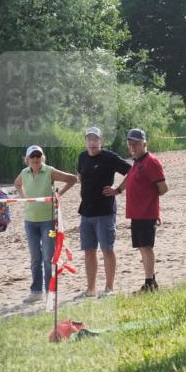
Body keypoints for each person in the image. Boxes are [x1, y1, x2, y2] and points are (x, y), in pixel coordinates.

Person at [64, 127, 131, 298]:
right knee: (89, 250)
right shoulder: (82, 157)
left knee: (107, 249)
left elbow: (132, 171)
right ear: (85, 141)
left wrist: (118, 189)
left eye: (96, 139)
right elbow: (80, 176)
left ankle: (109, 288)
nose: (92, 143)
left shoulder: (109, 157)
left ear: (101, 141)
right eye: (89, 139)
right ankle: (91, 288)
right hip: (86, 212)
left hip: (105, 211)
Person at [103, 129, 168, 293]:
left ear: (144, 144)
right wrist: (117, 190)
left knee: (146, 247)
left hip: (146, 212)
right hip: (137, 212)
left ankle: (150, 283)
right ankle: (150, 281)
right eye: (130, 144)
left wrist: (152, 205)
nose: (132, 146)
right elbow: (130, 177)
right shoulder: (137, 162)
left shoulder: (151, 162)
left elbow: (163, 188)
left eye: (136, 143)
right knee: (142, 247)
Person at [14, 146, 78, 304]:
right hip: (30, 222)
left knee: (49, 257)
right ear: (27, 159)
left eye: (38, 155)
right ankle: (36, 291)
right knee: (35, 257)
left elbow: (72, 179)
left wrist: (59, 194)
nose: (35, 159)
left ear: (42, 157)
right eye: (32, 156)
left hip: (48, 222)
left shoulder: (49, 171)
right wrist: (23, 198)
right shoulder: (24, 173)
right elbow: (16, 184)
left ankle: (51, 291)